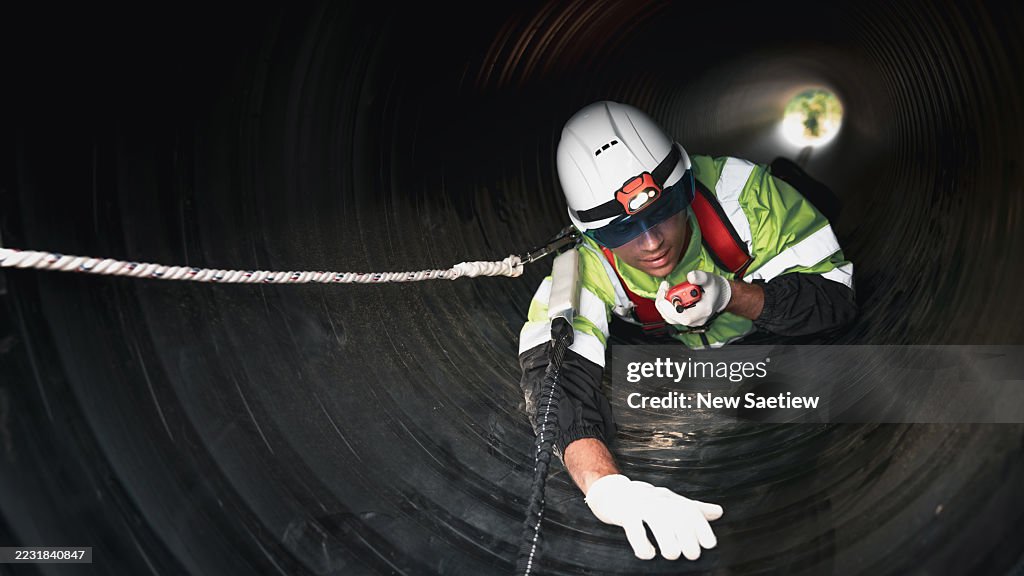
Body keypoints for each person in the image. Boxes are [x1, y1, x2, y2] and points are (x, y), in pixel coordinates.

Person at [517, 101, 857, 561]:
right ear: (593, 233)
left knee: (818, 201)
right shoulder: (585, 265)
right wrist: (605, 486)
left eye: (664, 211)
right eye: (624, 231)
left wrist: (734, 296)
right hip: (699, 361)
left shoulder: (744, 196)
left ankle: (796, 176)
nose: (651, 242)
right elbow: (555, 380)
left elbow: (834, 304)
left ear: (687, 185)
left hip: (770, 312)